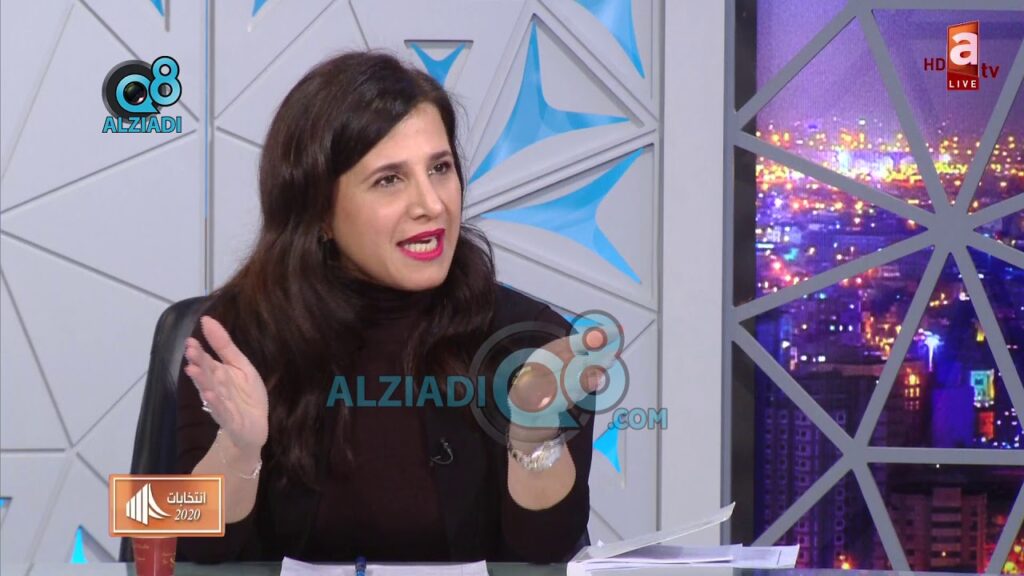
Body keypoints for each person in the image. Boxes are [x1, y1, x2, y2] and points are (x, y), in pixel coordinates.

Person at [175, 51, 600, 564]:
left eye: (440, 168)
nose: (432, 204)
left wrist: (534, 435)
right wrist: (237, 449)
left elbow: (548, 552)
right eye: (389, 180)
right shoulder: (234, 336)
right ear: (319, 211)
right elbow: (171, 537)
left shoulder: (527, 339)